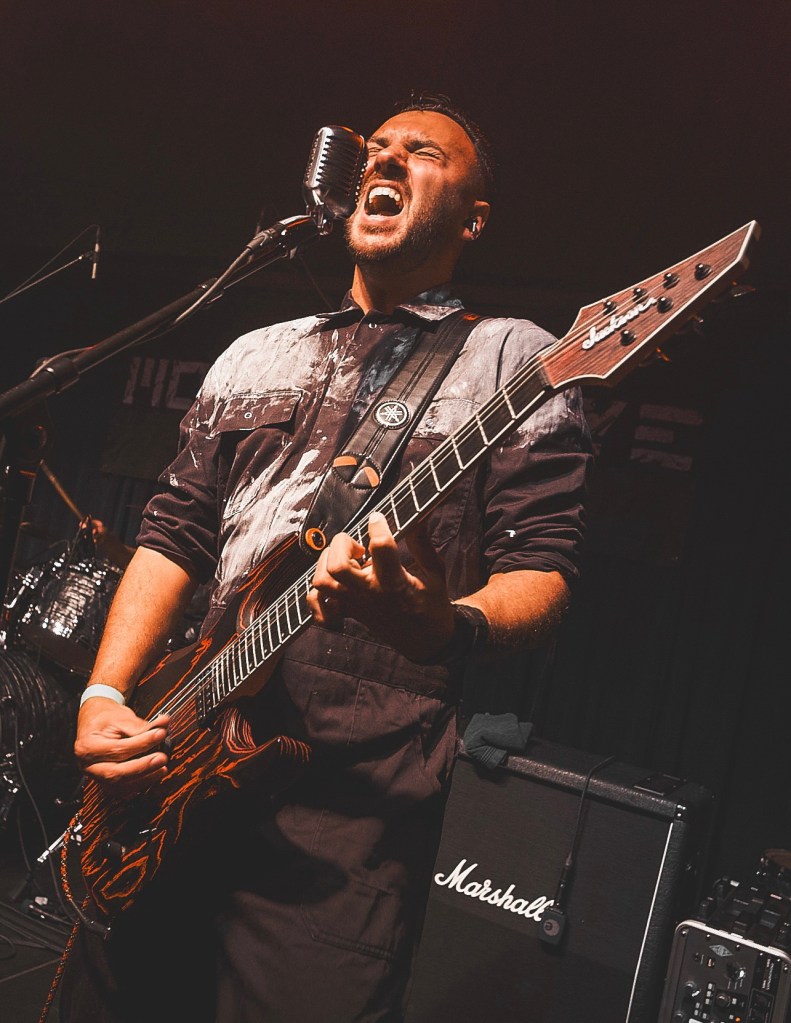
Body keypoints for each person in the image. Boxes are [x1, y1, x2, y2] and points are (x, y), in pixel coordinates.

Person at [57, 93, 592, 1023]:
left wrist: (444, 623)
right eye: (375, 148)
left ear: (472, 218)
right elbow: (173, 533)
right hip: (181, 751)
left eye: (421, 152)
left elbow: (543, 571)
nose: (383, 159)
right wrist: (106, 692)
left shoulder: (515, 358)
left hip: (350, 808)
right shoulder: (252, 355)